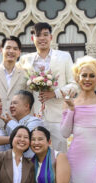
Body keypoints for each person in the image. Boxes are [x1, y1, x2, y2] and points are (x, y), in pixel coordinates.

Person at [18, 22, 78, 152]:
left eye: (45, 35)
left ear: (51, 37)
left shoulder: (64, 56)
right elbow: (15, 78)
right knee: (34, 154)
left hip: (58, 115)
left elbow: (74, 84)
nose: (42, 38)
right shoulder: (26, 60)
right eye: (38, 35)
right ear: (32, 38)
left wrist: (55, 93)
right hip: (35, 116)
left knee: (60, 154)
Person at [5, 90, 44, 158]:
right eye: (11, 103)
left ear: (26, 106)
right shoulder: (12, 123)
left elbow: (25, 137)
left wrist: (10, 122)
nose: (11, 106)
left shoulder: (35, 122)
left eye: (15, 103)